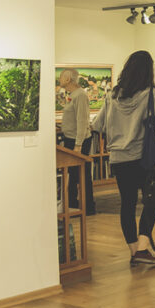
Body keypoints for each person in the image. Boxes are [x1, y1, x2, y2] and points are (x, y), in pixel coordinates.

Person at [91, 50, 155, 267]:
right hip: (143, 157)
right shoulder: (152, 94)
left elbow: (98, 125)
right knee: (151, 201)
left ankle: (134, 251)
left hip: (118, 159)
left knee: (127, 204)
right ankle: (142, 248)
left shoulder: (112, 96)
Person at [59, 68, 96, 215]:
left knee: (82, 174)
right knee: (74, 175)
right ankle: (74, 205)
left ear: (68, 79)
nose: (60, 79)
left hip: (78, 141)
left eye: (61, 77)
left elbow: (82, 121)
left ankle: (88, 207)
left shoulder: (80, 95)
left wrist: (78, 145)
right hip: (71, 139)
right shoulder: (73, 95)